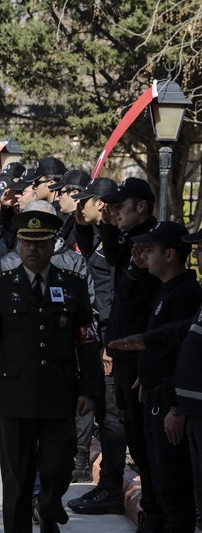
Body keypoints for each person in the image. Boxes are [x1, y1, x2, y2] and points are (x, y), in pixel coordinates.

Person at [0, 210, 101, 533]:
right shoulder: (0, 287)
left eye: (40, 243)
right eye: (27, 242)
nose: (33, 250)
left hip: (60, 392)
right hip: (17, 395)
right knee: (16, 478)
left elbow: (87, 339)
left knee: (59, 465)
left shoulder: (72, 285)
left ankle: (50, 504)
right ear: (19, 245)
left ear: (52, 245)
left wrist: (89, 388)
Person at [98, 177, 162, 530]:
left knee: (146, 443)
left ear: (141, 206)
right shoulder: (130, 240)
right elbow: (114, 266)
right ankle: (151, 511)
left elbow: (151, 310)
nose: (114, 211)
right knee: (136, 441)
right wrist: (108, 226)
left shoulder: (152, 241)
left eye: (121, 207)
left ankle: (154, 513)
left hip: (140, 358)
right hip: (123, 354)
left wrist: (147, 364)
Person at [130, 221, 200, 532]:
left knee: (174, 493)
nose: (144, 254)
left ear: (170, 254)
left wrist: (176, 406)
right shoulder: (166, 289)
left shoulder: (186, 294)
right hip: (153, 400)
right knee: (158, 488)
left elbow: (186, 357)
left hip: (170, 407)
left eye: (151, 250)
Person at [68, 177, 128, 512]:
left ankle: (112, 488)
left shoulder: (119, 242)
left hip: (111, 340)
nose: (79, 205)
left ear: (101, 205)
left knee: (112, 420)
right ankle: (106, 486)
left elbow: (116, 296)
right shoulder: (105, 239)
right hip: (99, 336)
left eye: (85, 201)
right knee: (105, 416)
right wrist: (81, 224)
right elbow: (92, 255)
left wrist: (110, 344)